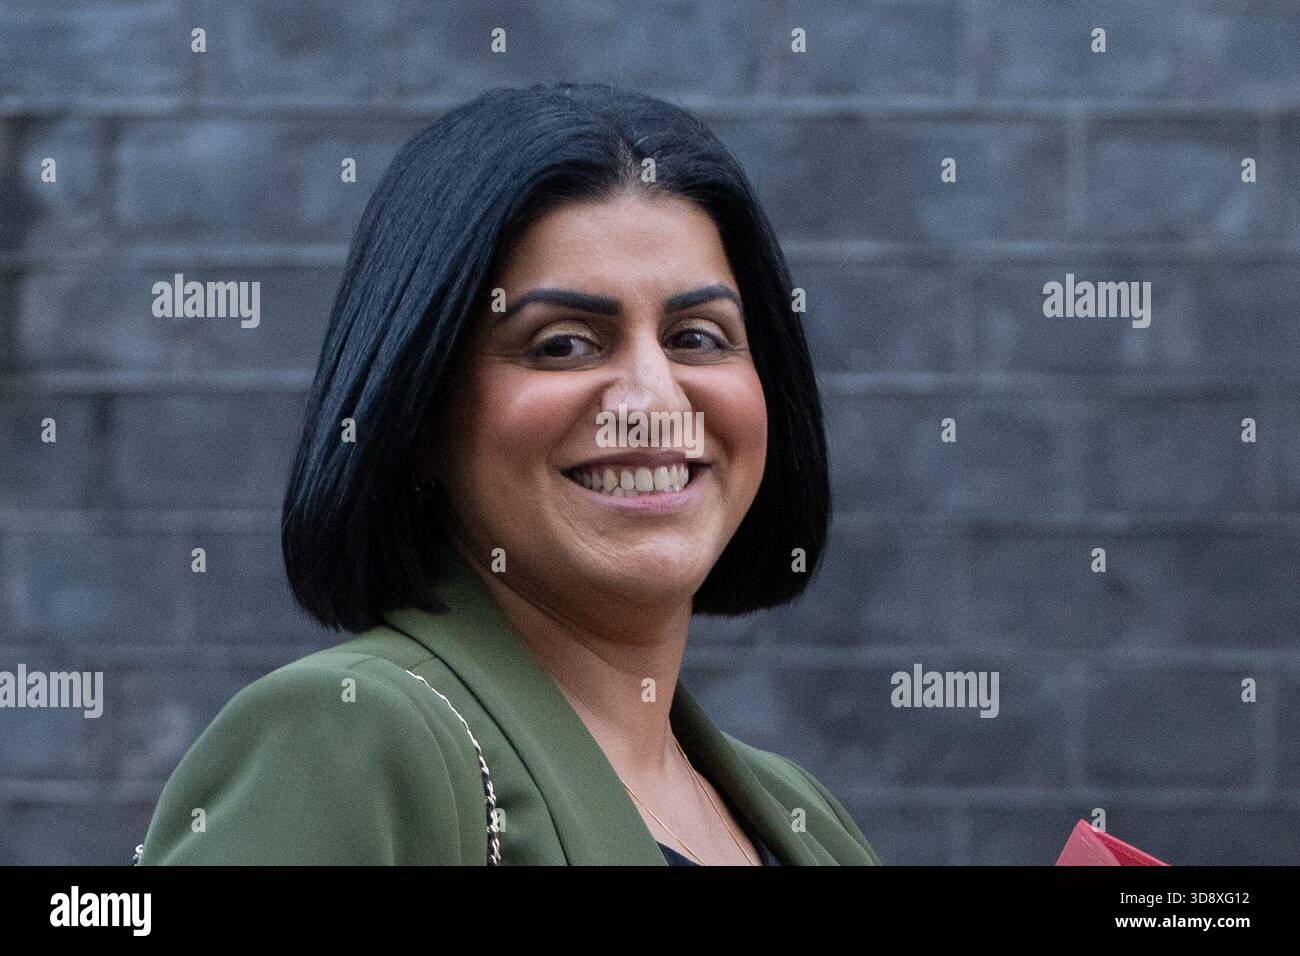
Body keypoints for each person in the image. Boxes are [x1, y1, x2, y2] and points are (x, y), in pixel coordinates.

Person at [136, 82, 880, 866]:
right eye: (562, 343)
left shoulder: (801, 816)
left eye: (697, 336)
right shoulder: (353, 739)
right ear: (419, 411)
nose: (653, 400)